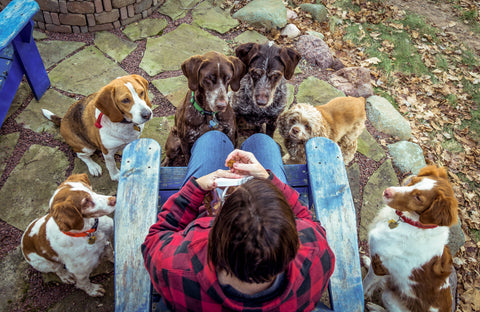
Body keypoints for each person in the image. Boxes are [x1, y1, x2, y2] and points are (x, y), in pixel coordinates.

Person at [142, 131, 335, 311]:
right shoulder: (315, 255)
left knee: (212, 138)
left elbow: (155, 238)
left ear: (214, 233)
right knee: (263, 141)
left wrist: (196, 187)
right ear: (293, 239)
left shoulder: (175, 268)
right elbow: (308, 221)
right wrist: (268, 178)